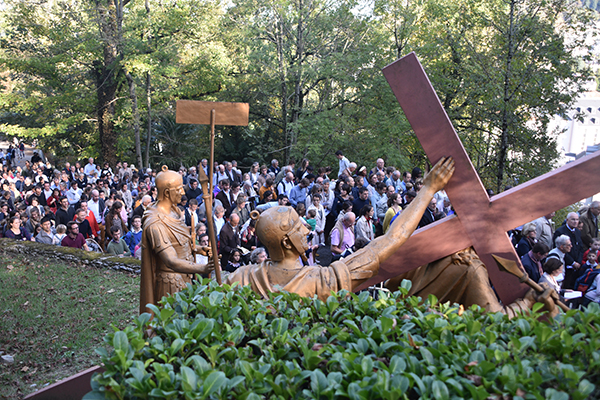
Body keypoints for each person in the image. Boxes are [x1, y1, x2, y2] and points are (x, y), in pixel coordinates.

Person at [140, 167, 213, 315]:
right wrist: (202, 269)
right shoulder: (156, 224)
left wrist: (198, 249)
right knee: (172, 321)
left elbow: (179, 243)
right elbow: (171, 260)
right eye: (179, 189)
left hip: (185, 277)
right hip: (170, 283)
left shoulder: (175, 211)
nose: (183, 193)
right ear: (167, 193)